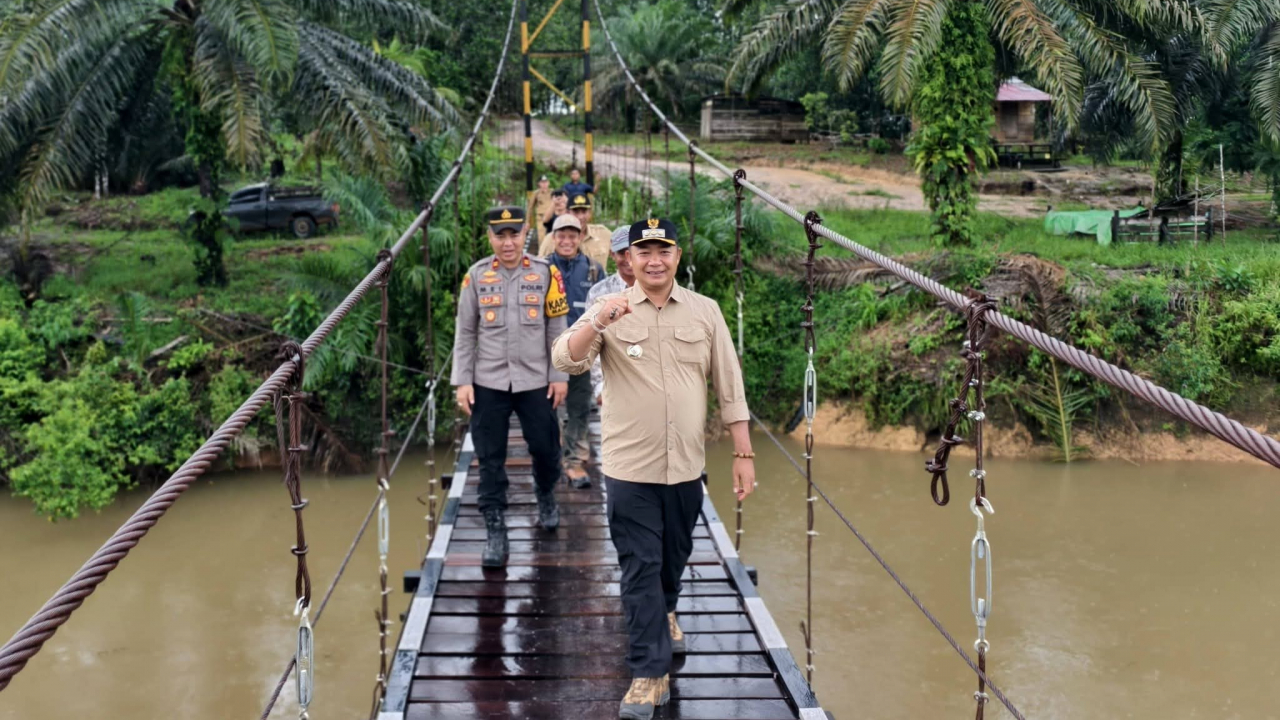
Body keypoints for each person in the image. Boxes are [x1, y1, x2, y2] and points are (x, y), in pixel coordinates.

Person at [552, 217, 756, 720]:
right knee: (639, 566)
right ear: (631, 260)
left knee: (672, 558)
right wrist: (599, 321)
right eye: (644, 251)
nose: (654, 259)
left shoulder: (705, 313)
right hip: (630, 467)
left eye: (662, 250)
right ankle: (648, 672)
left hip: (686, 467)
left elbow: (730, 386)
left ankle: (667, 608)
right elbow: (565, 359)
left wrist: (744, 453)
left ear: (677, 256)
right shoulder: (609, 309)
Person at [452, 206, 570, 568]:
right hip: (489, 381)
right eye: (499, 235)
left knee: (547, 449)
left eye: (513, 234)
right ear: (490, 237)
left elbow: (557, 326)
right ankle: (495, 527)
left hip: (536, 379)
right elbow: (466, 332)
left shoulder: (545, 273)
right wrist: (462, 382)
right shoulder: (475, 277)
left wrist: (559, 375)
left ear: (525, 235)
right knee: (489, 459)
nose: (507, 242)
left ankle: (545, 492)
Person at [544, 213, 606, 489]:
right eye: (562, 236)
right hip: (548, 353)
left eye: (572, 235)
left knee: (579, 408)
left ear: (580, 237)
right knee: (549, 406)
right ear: (554, 238)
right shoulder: (541, 269)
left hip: (582, 351)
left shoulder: (594, 270)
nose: (567, 241)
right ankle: (554, 455)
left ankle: (575, 461)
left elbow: (603, 311)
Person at [585, 227, 636, 406]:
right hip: (612, 380)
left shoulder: (657, 291)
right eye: (622, 253)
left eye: (634, 251)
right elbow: (591, 340)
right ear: (612, 254)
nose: (628, 260)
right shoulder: (598, 293)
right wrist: (599, 386)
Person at [539, 193, 610, 268]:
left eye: (584, 211)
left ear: (589, 213)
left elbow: (621, 250)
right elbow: (540, 267)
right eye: (576, 212)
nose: (580, 217)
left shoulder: (602, 233)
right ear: (567, 212)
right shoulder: (552, 239)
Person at [531, 175, 554, 245]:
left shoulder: (552, 192)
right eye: (542, 182)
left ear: (548, 183)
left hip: (552, 217)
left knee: (553, 235)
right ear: (539, 184)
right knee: (542, 237)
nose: (544, 184)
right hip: (541, 217)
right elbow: (530, 207)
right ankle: (542, 254)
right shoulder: (536, 193)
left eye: (546, 182)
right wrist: (528, 222)